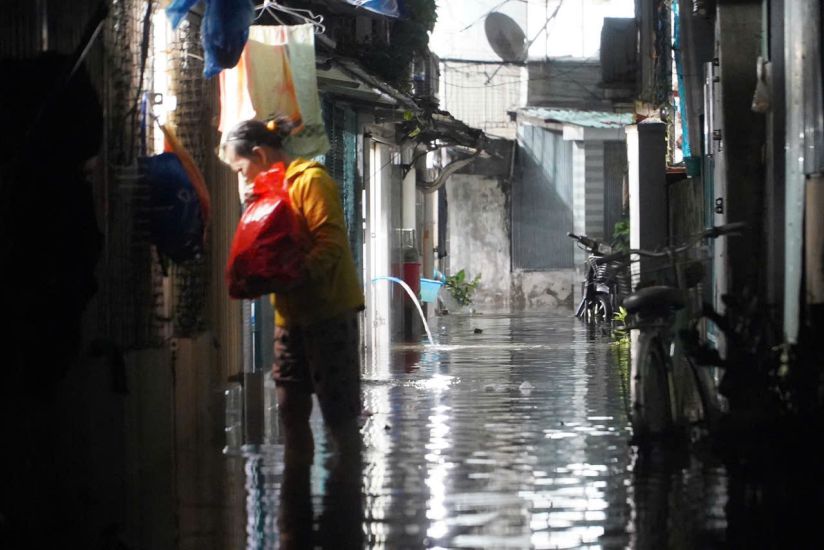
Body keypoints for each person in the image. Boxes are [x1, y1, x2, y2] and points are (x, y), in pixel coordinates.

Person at [221, 119, 365, 462]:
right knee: (290, 411)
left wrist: (292, 276)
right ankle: (295, 504)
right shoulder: (265, 195)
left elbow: (331, 245)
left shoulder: (310, 182)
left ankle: (346, 499)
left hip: (329, 312)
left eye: (241, 169)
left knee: (339, 416)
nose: (241, 179)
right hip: (290, 319)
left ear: (259, 154)